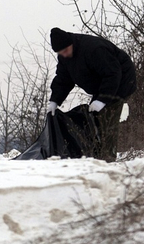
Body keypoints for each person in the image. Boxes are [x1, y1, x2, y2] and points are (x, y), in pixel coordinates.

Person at [47, 27, 136, 162]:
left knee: (107, 119)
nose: (64, 55)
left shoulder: (94, 49)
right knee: (94, 120)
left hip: (122, 81)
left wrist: (102, 100)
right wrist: (54, 101)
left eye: (65, 51)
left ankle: (107, 160)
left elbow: (112, 74)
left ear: (71, 44)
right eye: (60, 53)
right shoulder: (65, 57)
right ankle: (96, 156)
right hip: (102, 85)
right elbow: (63, 80)